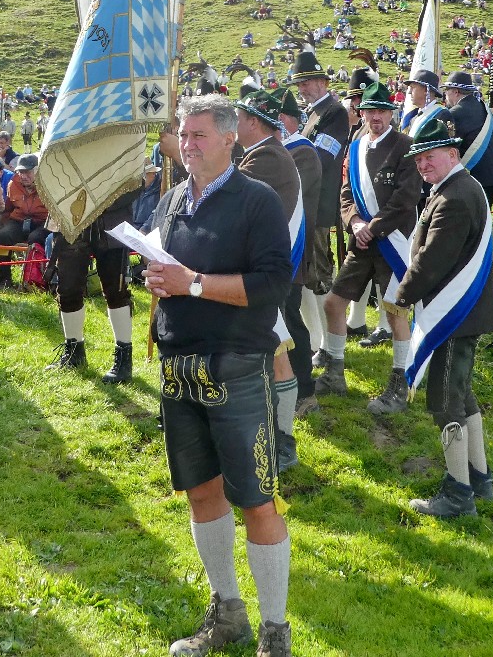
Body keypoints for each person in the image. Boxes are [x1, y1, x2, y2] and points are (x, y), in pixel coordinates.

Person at [144, 94, 293, 657]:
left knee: (256, 500)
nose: (186, 144)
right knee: (201, 493)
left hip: (237, 368)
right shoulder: (172, 200)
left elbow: (272, 285)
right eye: (183, 134)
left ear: (230, 138)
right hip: (178, 369)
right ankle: (227, 611)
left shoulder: (257, 201)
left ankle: (275, 632)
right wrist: (157, 277)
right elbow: (168, 269)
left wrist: (193, 283)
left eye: (199, 135)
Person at [395, 115, 493, 519]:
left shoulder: (455, 196)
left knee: (445, 403)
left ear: (453, 154)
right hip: (462, 313)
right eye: (418, 159)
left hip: (453, 316)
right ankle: (479, 478)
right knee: (462, 395)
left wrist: (401, 297)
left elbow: (432, 259)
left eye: (430, 156)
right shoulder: (458, 187)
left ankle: (458, 495)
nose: (423, 165)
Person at [320, 80, 422, 413]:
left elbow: (406, 198)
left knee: (395, 312)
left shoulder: (406, 145)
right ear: (361, 113)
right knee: (333, 303)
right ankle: (335, 371)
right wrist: (354, 223)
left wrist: (373, 228)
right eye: (369, 111)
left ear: (390, 113)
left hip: (393, 241)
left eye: (381, 111)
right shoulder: (355, 147)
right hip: (361, 242)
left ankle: (400, 382)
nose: (375, 117)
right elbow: (346, 192)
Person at [234, 90, 307, 467]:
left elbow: (228, 195)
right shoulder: (264, 152)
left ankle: (284, 441)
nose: (233, 124)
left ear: (252, 122)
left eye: (237, 117)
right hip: (259, 267)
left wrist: (181, 157)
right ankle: (271, 433)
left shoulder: (267, 157)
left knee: (277, 353)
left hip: (264, 272)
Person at [290, 49, 349, 367]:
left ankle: (329, 345)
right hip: (306, 201)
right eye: (300, 83)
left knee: (321, 275)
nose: (303, 88)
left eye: (308, 82)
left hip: (320, 204)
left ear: (323, 82)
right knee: (308, 274)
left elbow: (321, 157)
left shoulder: (334, 112)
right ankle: (317, 341)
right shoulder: (314, 112)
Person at [45, 188, 137, 380]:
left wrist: (101, 200)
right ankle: (74, 354)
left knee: (116, 290)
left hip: (112, 219)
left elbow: (135, 180)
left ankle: (123, 360)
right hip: (70, 215)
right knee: (68, 288)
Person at [275, 89, 321, 415]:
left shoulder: (302, 152)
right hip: (278, 247)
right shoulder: (280, 151)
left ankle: (305, 391)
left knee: (291, 318)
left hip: (293, 245)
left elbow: (291, 200)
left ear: (284, 119)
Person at [440, 70, 493, 209]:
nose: (445, 95)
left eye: (446, 91)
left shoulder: (454, 113)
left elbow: (448, 147)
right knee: (484, 218)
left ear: (456, 92)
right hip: (491, 177)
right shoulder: (484, 108)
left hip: (471, 178)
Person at [0, 152, 47, 288]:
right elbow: (8, 209)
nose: (23, 176)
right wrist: (6, 224)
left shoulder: (48, 185)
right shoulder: (13, 184)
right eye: (20, 172)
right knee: (3, 236)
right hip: (19, 220)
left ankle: (33, 280)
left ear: (37, 171)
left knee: (35, 238)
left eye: (27, 172)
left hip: (42, 222)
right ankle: (4, 279)